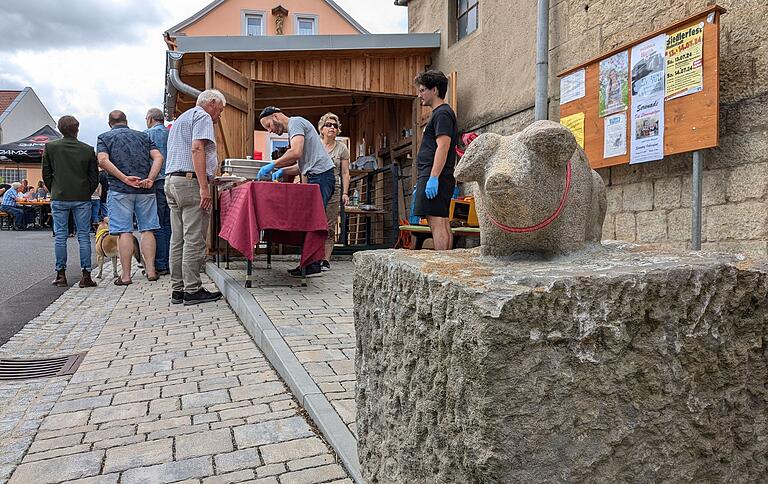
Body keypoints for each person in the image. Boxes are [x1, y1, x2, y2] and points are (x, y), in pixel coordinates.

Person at [258, 106, 336, 276]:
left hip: (322, 177)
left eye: (269, 125)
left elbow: (296, 152)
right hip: (318, 175)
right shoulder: (296, 128)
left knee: (313, 221)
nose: (270, 130)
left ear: (276, 116)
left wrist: (274, 164)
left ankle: (313, 264)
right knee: (310, 220)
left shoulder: (296, 123)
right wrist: (282, 171)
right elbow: (301, 166)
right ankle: (309, 263)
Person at [164, 89, 225, 305]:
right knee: (194, 239)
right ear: (211, 103)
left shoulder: (181, 118)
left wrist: (209, 179)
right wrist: (203, 187)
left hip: (172, 181)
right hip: (189, 184)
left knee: (177, 238)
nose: (219, 116)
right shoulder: (203, 116)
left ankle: (178, 289)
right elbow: (197, 149)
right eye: (220, 110)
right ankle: (193, 289)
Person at [97, 110, 164, 285]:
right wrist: (151, 177)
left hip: (120, 189)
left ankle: (126, 276)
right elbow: (158, 157)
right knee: (148, 229)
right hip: (145, 188)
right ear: (126, 121)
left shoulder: (104, 137)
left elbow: (103, 160)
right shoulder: (143, 136)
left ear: (109, 123)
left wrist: (124, 178)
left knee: (124, 231)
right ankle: (151, 271)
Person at [42, 115, 100, 287]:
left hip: (60, 195)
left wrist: (54, 188)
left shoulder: (51, 147)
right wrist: (86, 191)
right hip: (82, 196)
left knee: (60, 236)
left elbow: (46, 173)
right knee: (83, 236)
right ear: (77, 129)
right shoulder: (87, 149)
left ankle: (61, 275)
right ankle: (86, 275)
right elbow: (94, 177)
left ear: (60, 129)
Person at [413, 70, 459, 251]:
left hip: (437, 176)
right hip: (438, 175)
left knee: (437, 221)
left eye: (423, 90)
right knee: (442, 220)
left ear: (435, 90)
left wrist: (433, 177)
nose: (420, 94)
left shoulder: (442, 114)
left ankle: (443, 264)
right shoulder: (441, 113)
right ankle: (446, 262)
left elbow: (443, 146)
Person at [317, 112, 350, 271]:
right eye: (328, 125)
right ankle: (313, 257)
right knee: (314, 223)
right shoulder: (315, 144)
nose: (332, 128)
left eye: (335, 126)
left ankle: (325, 259)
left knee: (329, 224)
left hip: (334, 188)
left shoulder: (342, 148)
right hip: (316, 186)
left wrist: (345, 192)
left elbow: (345, 172)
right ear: (321, 128)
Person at [145, 107, 171, 276]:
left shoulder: (147, 135)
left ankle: (160, 263)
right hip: (172, 181)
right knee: (170, 224)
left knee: (158, 224)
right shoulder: (171, 134)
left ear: (150, 119)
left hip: (155, 183)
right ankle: (169, 261)